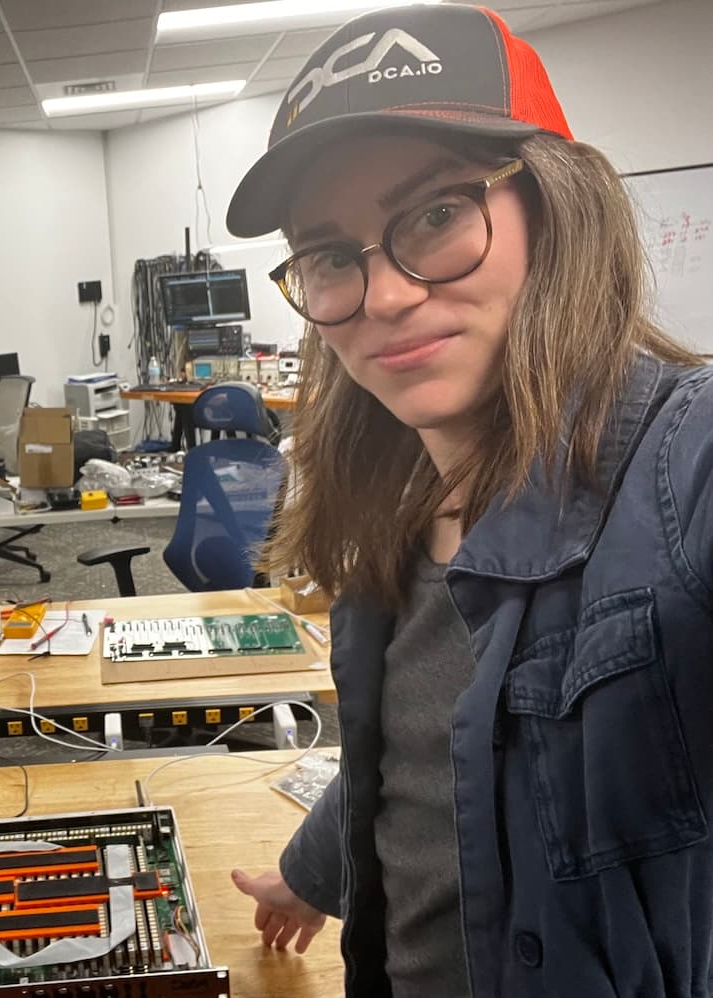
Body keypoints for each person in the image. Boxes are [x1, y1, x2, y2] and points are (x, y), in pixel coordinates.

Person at [223, 5, 712, 997]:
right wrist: (313, 871)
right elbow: (427, 750)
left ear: (552, 206)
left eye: (435, 213)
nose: (385, 295)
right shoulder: (395, 496)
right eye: (328, 253)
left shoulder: (681, 468)